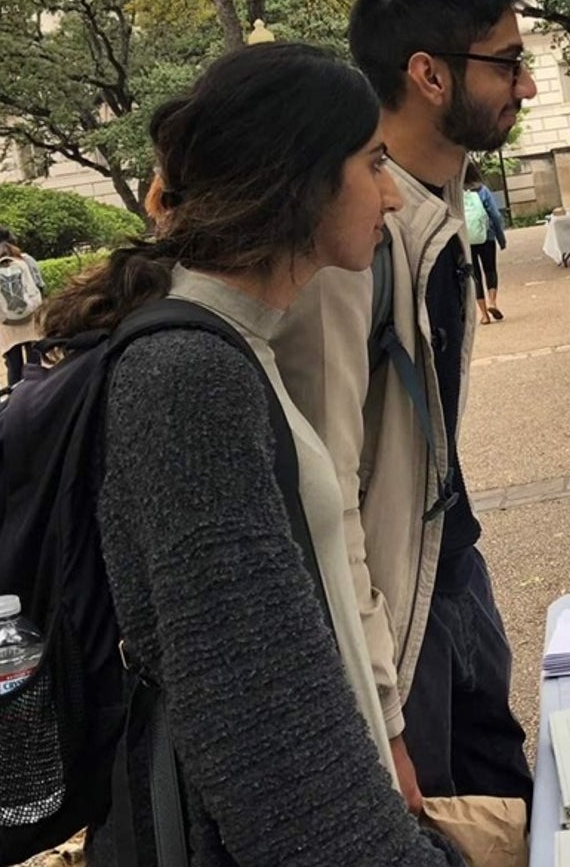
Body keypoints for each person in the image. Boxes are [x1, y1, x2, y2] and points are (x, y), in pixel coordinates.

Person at [41, 43, 462, 864]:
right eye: (372, 162)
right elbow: (259, 724)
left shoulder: (230, 345)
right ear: (300, 179)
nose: (389, 195)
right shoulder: (188, 377)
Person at [272, 0, 537, 815]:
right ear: (428, 73)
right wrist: (382, 710)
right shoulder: (350, 242)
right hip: (396, 623)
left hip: (455, 574)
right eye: (507, 62)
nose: (524, 87)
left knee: (510, 815)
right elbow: (328, 494)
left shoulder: (435, 214)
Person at [0, 225, 45, 387]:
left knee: (14, 366)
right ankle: (38, 397)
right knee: (35, 363)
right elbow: (40, 285)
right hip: (32, 317)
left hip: (5, 322)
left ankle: (16, 400)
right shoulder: (26, 259)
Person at [461, 166, 507, 324]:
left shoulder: (456, 193)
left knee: (475, 275)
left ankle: (484, 315)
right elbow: (494, 214)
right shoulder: (483, 190)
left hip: (467, 239)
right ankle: (492, 302)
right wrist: (501, 238)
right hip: (486, 236)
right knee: (490, 269)